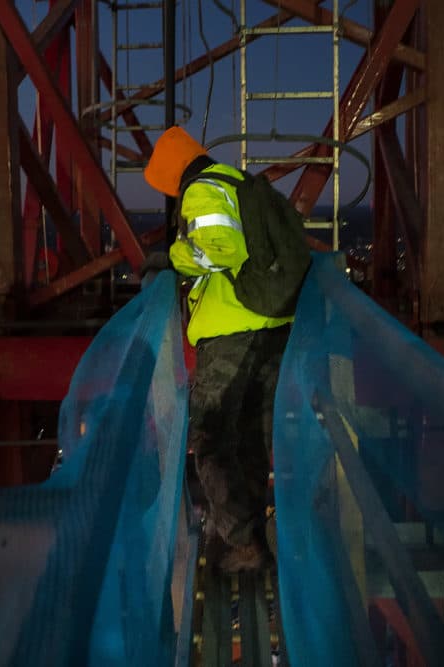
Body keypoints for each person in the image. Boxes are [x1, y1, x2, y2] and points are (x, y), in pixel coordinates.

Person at [143, 126, 294, 572]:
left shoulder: (202, 190)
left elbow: (220, 248)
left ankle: (242, 543)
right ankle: (251, 535)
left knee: (209, 437)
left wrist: (173, 257)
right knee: (250, 436)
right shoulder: (236, 181)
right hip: (273, 324)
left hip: (233, 329)